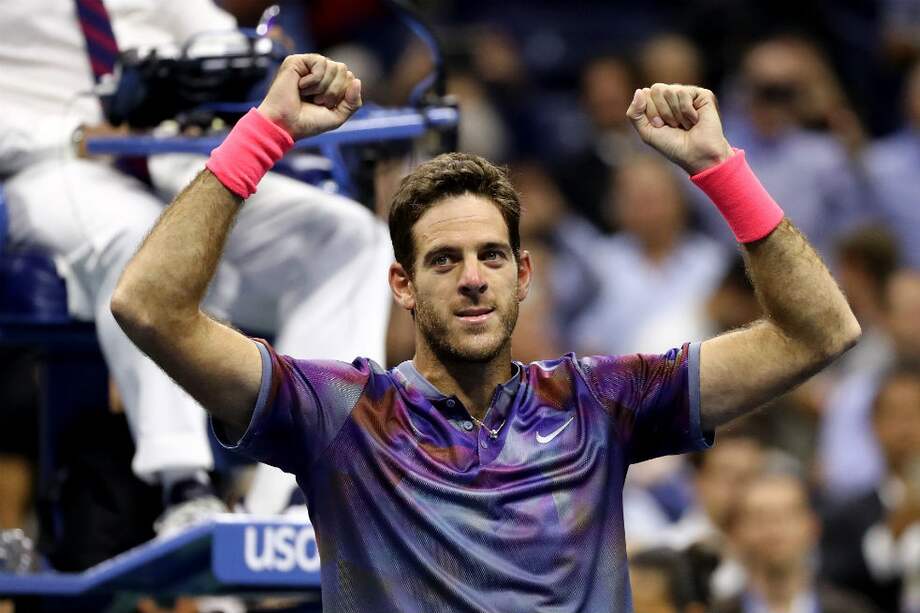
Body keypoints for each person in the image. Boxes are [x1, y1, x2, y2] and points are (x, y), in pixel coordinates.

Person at [111, 55, 861, 612]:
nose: (472, 277)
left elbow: (821, 333)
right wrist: (264, 133)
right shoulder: (339, 413)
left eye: (492, 256)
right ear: (402, 284)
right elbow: (149, 305)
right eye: (444, 260)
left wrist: (719, 168)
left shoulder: (600, 401)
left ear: (523, 274)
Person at [0, 0, 391, 531]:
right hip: (50, 165)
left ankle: (303, 491)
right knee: (146, 240)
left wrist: (268, 62)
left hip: (161, 150)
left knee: (347, 237)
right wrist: (71, 135)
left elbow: (213, 36)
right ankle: (185, 488)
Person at [821, 365, 920, 612]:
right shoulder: (848, 515)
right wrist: (895, 529)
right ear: (873, 425)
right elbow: (839, 584)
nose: (907, 427)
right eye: (895, 415)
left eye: (916, 413)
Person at [714, 471, 879, 613]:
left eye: (786, 516)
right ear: (734, 534)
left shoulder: (853, 610)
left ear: (813, 527)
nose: (774, 530)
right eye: (759, 518)